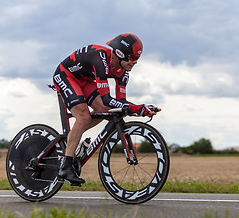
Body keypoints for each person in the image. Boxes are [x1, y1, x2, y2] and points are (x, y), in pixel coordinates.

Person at [53, 33, 159, 184]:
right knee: (83, 117)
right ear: (120, 53)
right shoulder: (101, 57)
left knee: (104, 110)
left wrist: (139, 108)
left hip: (85, 80)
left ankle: (73, 139)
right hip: (66, 75)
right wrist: (137, 108)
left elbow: (120, 101)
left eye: (137, 58)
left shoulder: (124, 70)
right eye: (132, 57)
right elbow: (108, 98)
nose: (134, 62)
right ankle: (66, 164)